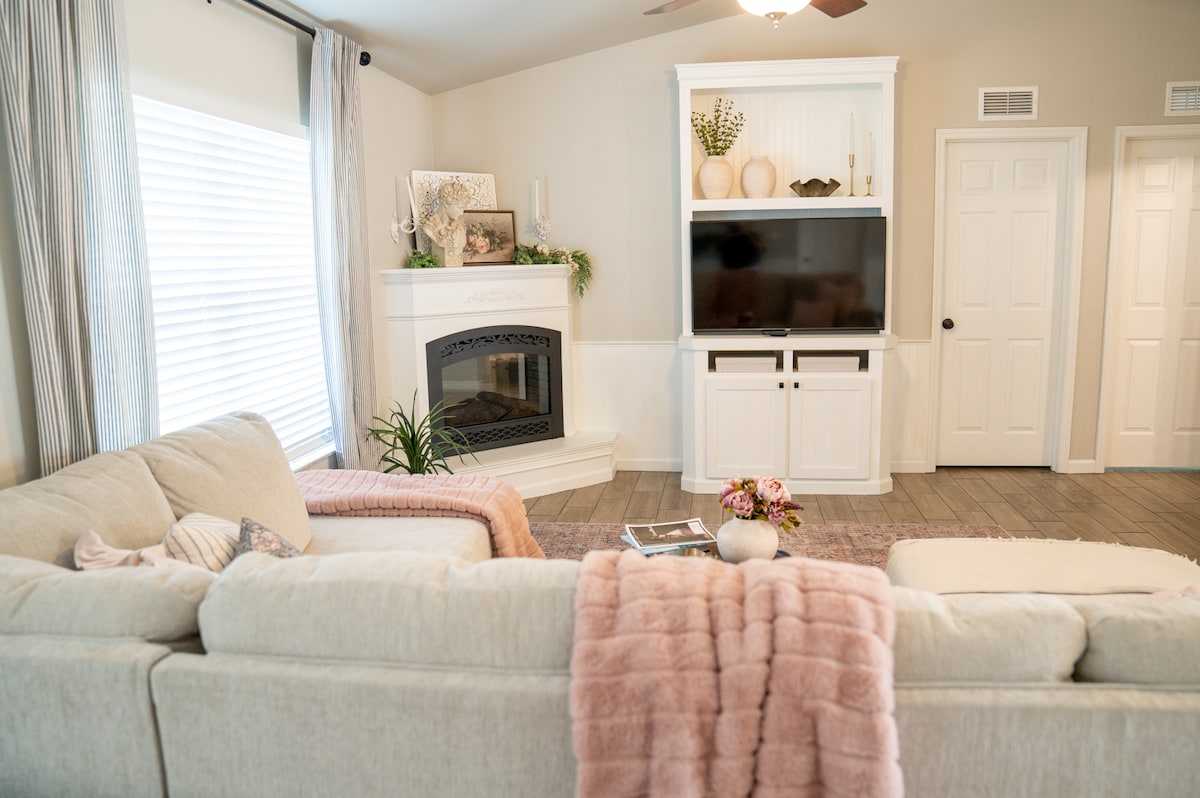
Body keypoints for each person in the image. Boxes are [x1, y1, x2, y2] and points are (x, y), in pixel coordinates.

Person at [421, 180, 471, 267]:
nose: (462, 212)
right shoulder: (430, 225)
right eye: (459, 207)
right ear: (446, 203)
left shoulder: (460, 226)